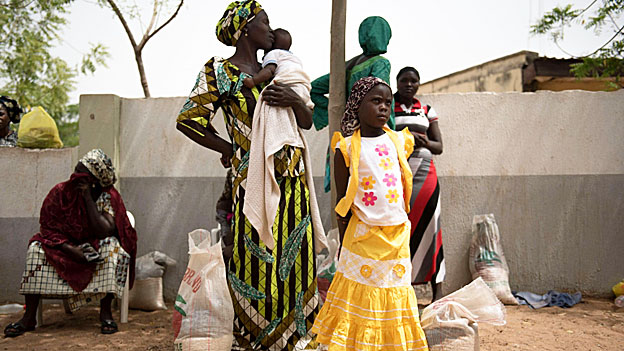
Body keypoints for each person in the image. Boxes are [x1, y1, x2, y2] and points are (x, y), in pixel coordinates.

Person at [175, 1, 327, 349]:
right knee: (255, 254)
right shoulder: (219, 73)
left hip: (293, 177)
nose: (271, 30)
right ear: (244, 29)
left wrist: (293, 98)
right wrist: (227, 149)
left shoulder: (279, 67)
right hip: (251, 181)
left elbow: (307, 120)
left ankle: (295, 337)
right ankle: (255, 335)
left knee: (297, 255)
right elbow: (189, 120)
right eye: (264, 23)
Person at [311, 77, 429, 351]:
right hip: (362, 236)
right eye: (375, 101)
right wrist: (343, 240)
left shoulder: (399, 141)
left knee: (393, 294)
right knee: (359, 298)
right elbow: (342, 201)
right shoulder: (346, 147)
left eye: (387, 102)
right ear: (357, 105)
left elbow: (400, 185)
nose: (383, 108)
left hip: (396, 235)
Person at [3, 149, 137, 337]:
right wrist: (69, 248)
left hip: (94, 243)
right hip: (64, 243)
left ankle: (105, 313)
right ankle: (29, 317)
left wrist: (87, 198)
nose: (75, 177)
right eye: (76, 170)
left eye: (82, 175)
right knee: (35, 248)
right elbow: (47, 227)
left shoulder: (107, 196)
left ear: (94, 180)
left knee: (113, 249)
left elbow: (104, 230)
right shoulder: (60, 192)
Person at [310, 16, 393, 192]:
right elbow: (381, 99)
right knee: (373, 186)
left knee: (347, 189)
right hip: (370, 136)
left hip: (346, 131)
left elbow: (314, 88)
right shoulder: (380, 63)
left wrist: (340, 113)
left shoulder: (349, 65)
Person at [393, 66, 445, 301]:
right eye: (404, 80)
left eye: (414, 81)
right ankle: (402, 289)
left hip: (426, 177)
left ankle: (438, 293)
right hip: (396, 176)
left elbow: (439, 147)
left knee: (431, 228)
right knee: (400, 229)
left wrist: (421, 140)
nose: (409, 85)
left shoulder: (425, 109)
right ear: (396, 82)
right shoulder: (388, 105)